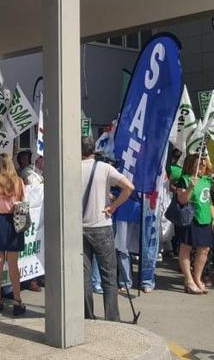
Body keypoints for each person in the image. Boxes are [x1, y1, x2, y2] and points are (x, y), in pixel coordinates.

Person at [81, 137, 134, 320]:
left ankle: (87, 316)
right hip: (101, 226)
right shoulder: (104, 168)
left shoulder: (70, 168)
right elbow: (129, 187)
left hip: (80, 227)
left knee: (84, 277)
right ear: (93, 151)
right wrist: (113, 206)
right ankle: (112, 318)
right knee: (109, 276)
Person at [0, 153, 29, 316]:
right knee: (13, 264)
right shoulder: (18, 182)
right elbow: (23, 203)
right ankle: (17, 301)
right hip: (14, 221)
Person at [174, 154, 214, 295]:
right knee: (186, 248)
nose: (203, 168)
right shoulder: (184, 180)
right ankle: (188, 280)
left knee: (204, 249)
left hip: (204, 218)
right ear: (192, 165)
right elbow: (182, 200)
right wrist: (191, 187)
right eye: (200, 165)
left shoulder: (206, 180)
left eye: (204, 165)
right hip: (191, 218)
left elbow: (209, 201)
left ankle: (197, 277)